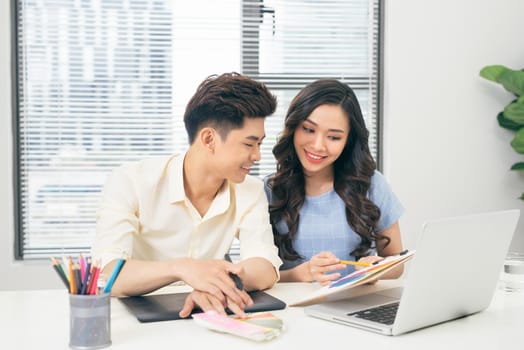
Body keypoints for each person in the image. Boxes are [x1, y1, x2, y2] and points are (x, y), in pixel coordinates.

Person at [91, 72, 281, 318]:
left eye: (260, 144)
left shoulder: (250, 189)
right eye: (249, 144)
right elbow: (109, 274)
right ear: (209, 139)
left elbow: (265, 265)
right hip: (136, 322)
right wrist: (184, 269)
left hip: (208, 315)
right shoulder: (131, 181)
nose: (257, 156)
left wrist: (220, 283)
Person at [264, 79, 404, 285]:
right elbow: (258, 279)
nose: (318, 146)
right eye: (309, 130)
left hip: (354, 305)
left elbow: (397, 263)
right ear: (294, 127)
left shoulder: (372, 184)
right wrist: (302, 273)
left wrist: (377, 269)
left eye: (333, 137)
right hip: (292, 310)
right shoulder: (269, 190)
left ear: (348, 141)